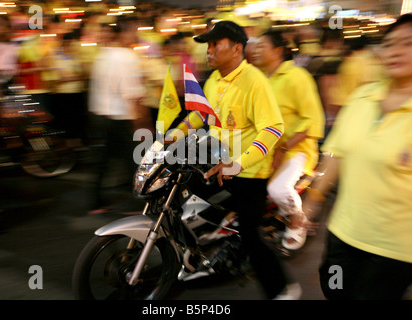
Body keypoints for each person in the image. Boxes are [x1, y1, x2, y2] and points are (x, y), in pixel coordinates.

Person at [172, 21, 299, 300]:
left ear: (237, 48)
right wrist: (174, 134)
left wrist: (239, 163)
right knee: (179, 192)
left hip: (249, 172)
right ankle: (200, 249)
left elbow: (273, 128)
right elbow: (202, 114)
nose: (209, 51)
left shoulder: (254, 81)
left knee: (252, 236)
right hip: (216, 160)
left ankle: (283, 290)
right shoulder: (215, 78)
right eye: (208, 45)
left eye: (216, 44)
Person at [302, 13, 412, 300]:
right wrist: (312, 200)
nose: (396, 51)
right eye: (390, 44)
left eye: (408, 43)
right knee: (333, 289)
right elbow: (337, 154)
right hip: (343, 233)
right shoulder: (363, 97)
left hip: (393, 249)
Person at [251, 30, 325, 250]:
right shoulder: (261, 78)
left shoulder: (296, 76)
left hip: (296, 149)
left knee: (278, 189)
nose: (256, 51)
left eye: (261, 46)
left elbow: (312, 120)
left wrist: (283, 147)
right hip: (266, 148)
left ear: (277, 51)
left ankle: (297, 220)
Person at [87, 16, 148, 215]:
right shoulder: (126, 56)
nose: (136, 34)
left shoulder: (102, 55)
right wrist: (139, 119)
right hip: (120, 116)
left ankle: (95, 202)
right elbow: (131, 92)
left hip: (101, 114)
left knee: (104, 161)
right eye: (133, 30)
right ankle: (140, 202)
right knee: (133, 159)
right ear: (124, 33)